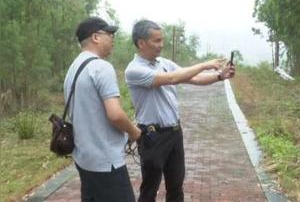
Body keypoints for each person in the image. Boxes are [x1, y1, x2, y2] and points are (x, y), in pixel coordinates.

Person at [125, 19, 235, 202]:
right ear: (141, 43)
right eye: (157, 41)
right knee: (149, 189)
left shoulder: (164, 62)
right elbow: (172, 78)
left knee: (176, 187)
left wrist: (219, 76)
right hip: (152, 136)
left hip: (175, 133)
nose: (161, 45)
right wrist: (204, 64)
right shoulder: (134, 70)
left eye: (162, 40)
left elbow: (193, 78)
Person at [64, 17, 142, 202]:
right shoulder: (101, 67)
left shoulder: (73, 69)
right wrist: (135, 132)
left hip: (84, 158)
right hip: (106, 163)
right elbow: (115, 114)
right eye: (109, 34)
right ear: (95, 37)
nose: (112, 38)